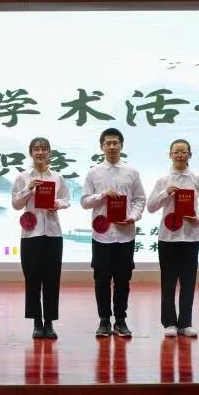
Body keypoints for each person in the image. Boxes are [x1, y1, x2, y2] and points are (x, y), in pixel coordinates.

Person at [81, 127, 146, 338]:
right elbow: (84, 202)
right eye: (107, 143)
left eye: (115, 143)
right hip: (101, 236)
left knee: (123, 280)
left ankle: (120, 320)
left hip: (125, 234)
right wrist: (101, 195)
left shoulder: (132, 172)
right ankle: (103, 321)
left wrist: (133, 217)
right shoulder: (93, 172)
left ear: (121, 146)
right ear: (101, 146)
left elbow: (140, 199)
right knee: (101, 280)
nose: (111, 147)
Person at [146, 139, 199, 338]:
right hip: (167, 238)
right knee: (168, 282)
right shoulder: (163, 180)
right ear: (170, 155)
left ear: (189, 155)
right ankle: (169, 323)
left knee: (188, 282)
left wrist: (198, 217)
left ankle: (185, 323)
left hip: (190, 237)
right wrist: (165, 193)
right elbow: (150, 207)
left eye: (183, 152)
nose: (180, 155)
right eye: (176, 152)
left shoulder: (198, 179)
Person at [11, 137, 70, 339]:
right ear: (30, 152)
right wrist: (28, 189)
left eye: (44, 149)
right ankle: (37, 322)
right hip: (31, 234)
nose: (40, 152)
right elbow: (16, 204)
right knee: (32, 278)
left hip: (53, 233)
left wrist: (58, 204)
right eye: (36, 149)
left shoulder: (57, 177)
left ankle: (50, 322)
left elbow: (66, 199)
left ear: (49, 153)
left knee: (52, 278)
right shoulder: (23, 177)